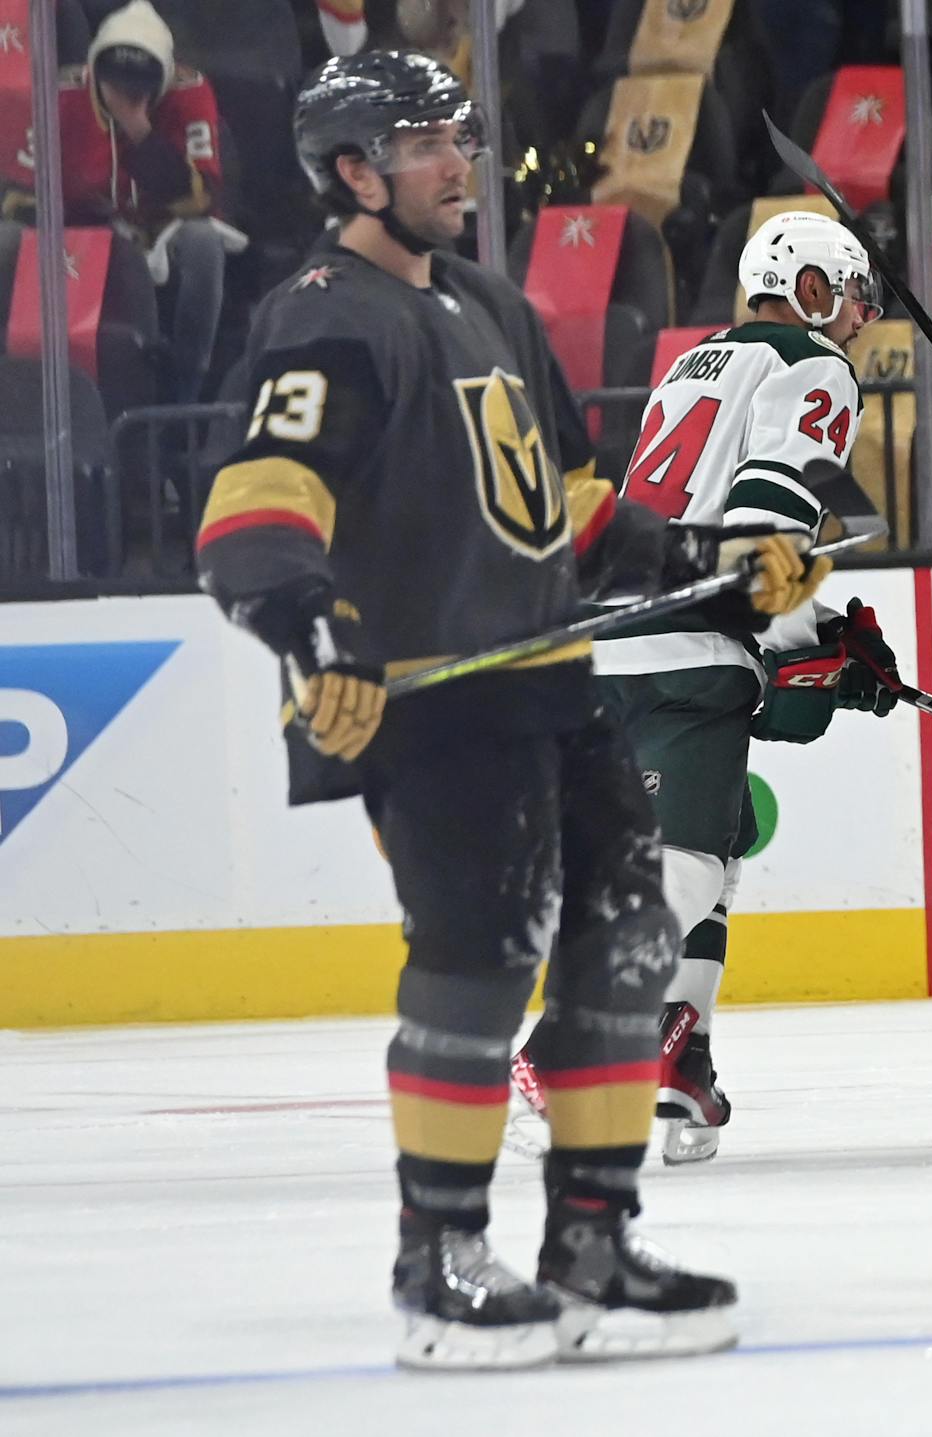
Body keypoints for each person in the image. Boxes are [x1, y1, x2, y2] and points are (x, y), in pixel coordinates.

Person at [195, 50, 771, 1368]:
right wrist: (312, 630)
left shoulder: (493, 308)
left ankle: (591, 1244)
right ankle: (439, 1259)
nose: (461, 163)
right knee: (478, 961)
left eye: (460, 135)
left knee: (628, 948)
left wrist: (709, 574)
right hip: (429, 709)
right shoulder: (324, 317)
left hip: (552, 688)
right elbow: (259, 506)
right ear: (352, 172)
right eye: (425, 143)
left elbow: (567, 506)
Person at [567, 210, 903, 1167]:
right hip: (692, 646)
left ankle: (678, 1062)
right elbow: (766, 530)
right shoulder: (812, 364)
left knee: (707, 844)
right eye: (846, 303)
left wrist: (819, 635)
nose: (851, 328)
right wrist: (806, 645)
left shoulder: (692, 364)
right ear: (807, 287)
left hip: (620, 636)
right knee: (695, 867)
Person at [54, 1, 240, 403]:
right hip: (79, 232)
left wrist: (138, 127)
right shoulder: (64, 93)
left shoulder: (189, 91)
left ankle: (186, 392)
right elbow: (25, 192)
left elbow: (202, 196)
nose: (126, 93)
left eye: (138, 84)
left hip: (161, 228)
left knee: (204, 243)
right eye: (116, 82)